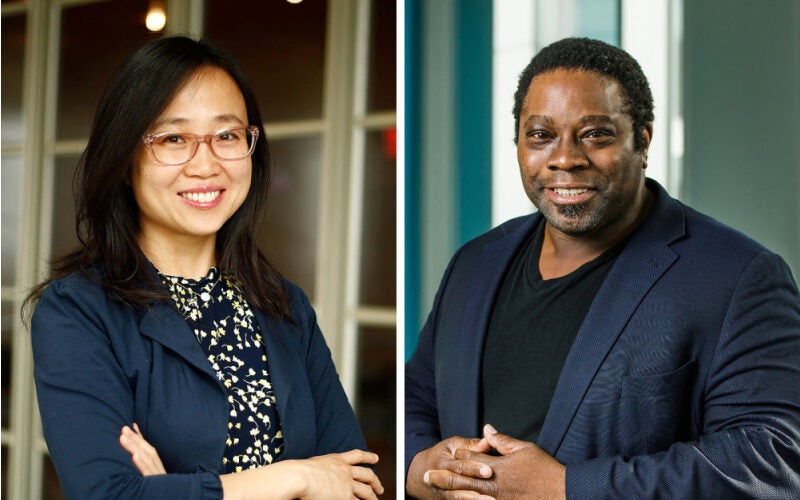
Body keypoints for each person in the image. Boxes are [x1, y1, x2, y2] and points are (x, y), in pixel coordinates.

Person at [405, 37, 800, 498]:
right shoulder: (474, 263)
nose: (565, 158)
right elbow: (418, 397)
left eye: (595, 134)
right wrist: (416, 468)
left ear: (642, 140)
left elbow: (773, 458)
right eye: (541, 135)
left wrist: (566, 488)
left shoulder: (739, 276)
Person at [26, 36, 383, 499]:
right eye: (174, 138)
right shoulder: (78, 311)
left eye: (227, 136)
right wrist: (297, 476)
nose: (206, 164)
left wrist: (169, 490)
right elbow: (107, 495)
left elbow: (356, 484)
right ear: (124, 158)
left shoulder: (283, 304)